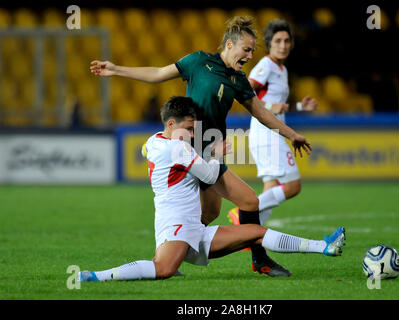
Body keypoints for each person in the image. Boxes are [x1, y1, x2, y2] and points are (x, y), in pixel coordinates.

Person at [90, 16, 312, 277]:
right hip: (189, 151)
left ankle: (167, 258)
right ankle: (259, 259)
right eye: (247, 49)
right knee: (250, 202)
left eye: (253, 51)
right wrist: (116, 70)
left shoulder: (238, 80)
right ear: (229, 44)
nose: (250, 55)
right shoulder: (198, 61)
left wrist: (290, 134)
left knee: (211, 211)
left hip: (210, 150)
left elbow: (261, 113)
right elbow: (160, 73)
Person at [78, 96, 346, 282]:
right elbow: (207, 174)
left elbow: (146, 149)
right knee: (164, 269)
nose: (191, 135)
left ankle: (323, 246)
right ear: (171, 124)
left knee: (255, 232)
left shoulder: (154, 141)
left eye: (193, 130)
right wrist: (215, 154)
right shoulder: (177, 147)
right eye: (187, 128)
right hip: (178, 226)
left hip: (188, 226)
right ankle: (95, 276)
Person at [228, 19, 317, 227]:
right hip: (267, 133)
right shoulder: (266, 64)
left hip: (267, 133)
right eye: (278, 41)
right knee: (293, 186)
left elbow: (279, 106)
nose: (283, 45)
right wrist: (268, 105)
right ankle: (242, 212)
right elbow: (245, 89)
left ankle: (249, 234)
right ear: (269, 43)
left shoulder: (281, 69)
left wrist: (301, 107)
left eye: (287, 41)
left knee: (272, 185)